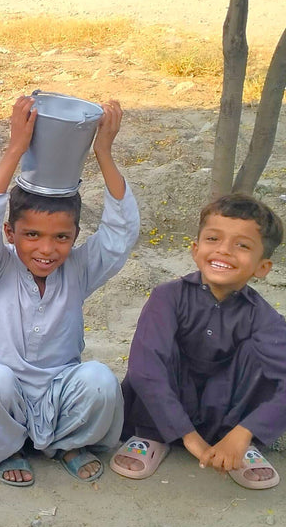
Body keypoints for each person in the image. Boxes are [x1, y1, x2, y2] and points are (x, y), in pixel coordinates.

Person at [0, 95, 140, 487]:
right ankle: (5, 449)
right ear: (11, 233)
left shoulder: (79, 269)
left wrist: (103, 153)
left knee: (101, 381)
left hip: (59, 389)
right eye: (31, 235)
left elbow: (120, 234)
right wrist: (16, 148)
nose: (46, 249)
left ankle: (68, 443)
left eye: (61, 237)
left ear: (75, 237)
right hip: (4, 391)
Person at [111, 194, 286, 489]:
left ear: (262, 267)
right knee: (155, 354)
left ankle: (240, 444)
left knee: (262, 354)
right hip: (160, 410)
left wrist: (246, 430)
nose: (224, 251)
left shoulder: (263, 317)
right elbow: (145, 370)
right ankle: (152, 436)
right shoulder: (167, 297)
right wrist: (191, 440)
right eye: (213, 239)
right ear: (195, 249)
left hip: (224, 412)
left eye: (242, 245)